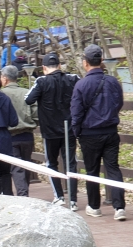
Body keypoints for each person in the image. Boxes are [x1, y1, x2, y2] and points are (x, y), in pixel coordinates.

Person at [71, 44, 127, 221]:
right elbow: (119, 103)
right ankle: (119, 207)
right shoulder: (113, 82)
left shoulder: (81, 84)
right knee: (113, 168)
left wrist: (77, 132)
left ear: (85, 63)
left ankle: (94, 206)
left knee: (92, 170)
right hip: (110, 131)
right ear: (101, 61)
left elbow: (76, 112)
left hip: (89, 133)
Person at [25, 53, 80, 210]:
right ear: (60, 66)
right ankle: (74, 201)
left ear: (44, 68)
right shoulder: (73, 79)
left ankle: (59, 196)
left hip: (49, 130)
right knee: (71, 163)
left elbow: (28, 99)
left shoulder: (41, 81)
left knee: (52, 163)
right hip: (69, 128)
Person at [1, 65, 38, 196]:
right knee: (26, 165)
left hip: (10, 136)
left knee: (16, 167)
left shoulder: (1, 95)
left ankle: (23, 195)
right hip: (27, 135)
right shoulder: (26, 92)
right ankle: (24, 192)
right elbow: (36, 114)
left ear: (5, 79)